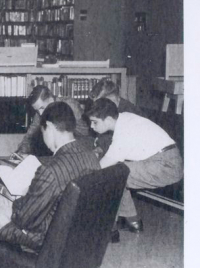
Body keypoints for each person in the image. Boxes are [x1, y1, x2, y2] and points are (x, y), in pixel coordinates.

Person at [0, 102, 100, 268]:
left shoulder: (51, 170)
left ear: (50, 127)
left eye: (43, 131)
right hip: (68, 232)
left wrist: (24, 195)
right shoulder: (90, 157)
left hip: (36, 233)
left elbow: (23, 218)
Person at [86, 98, 183, 233]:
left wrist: (81, 172)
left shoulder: (123, 131)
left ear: (108, 120)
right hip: (166, 159)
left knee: (112, 176)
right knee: (118, 173)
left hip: (166, 164)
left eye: (94, 122)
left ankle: (109, 228)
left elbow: (101, 168)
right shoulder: (125, 118)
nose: (91, 126)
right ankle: (132, 221)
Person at [15, 85, 89, 157]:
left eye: (41, 108)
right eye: (37, 110)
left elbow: (85, 132)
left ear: (50, 99)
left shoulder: (69, 105)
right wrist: (21, 152)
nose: (41, 113)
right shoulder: (41, 112)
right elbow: (30, 134)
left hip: (80, 150)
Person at [88, 79, 145, 157]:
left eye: (99, 103)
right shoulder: (110, 109)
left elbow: (122, 147)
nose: (97, 107)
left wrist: (100, 149)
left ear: (112, 98)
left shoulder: (129, 113)